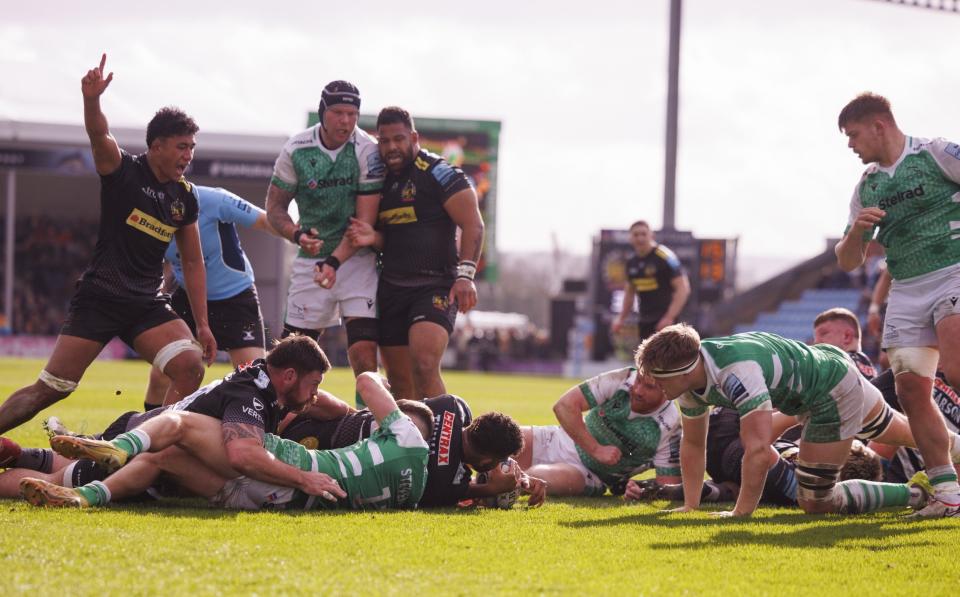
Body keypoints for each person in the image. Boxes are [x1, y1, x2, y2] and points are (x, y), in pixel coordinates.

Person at [0, 54, 216, 436]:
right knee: (51, 390)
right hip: (101, 297)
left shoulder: (185, 197)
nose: (189, 155)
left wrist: (203, 324)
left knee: (189, 366)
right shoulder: (123, 172)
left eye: (192, 147)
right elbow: (100, 135)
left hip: (146, 303)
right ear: (158, 146)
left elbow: (194, 263)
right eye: (182, 147)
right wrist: (91, 100)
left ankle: (147, 453)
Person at [21, 373, 434, 512]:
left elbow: (366, 380)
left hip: (290, 470)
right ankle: (85, 498)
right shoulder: (412, 490)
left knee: (178, 423)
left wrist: (386, 395)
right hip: (269, 502)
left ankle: (117, 449)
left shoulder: (404, 435)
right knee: (165, 455)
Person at [21, 335, 344, 508]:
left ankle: (15, 452)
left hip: (142, 429)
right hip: (144, 442)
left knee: (49, 462)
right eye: (314, 384)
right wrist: (303, 478)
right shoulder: (252, 397)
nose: (315, 395)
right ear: (289, 375)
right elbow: (242, 454)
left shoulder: (264, 377)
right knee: (59, 476)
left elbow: (323, 404)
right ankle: (101, 467)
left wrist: (350, 414)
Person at [637, 324, 921, 517]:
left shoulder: (736, 371)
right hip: (825, 370)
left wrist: (740, 512)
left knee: (815, 502)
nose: (650, 382)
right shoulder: (690, 378)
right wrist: (690, 505)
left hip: (827, 390)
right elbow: (694, 444)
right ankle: (945, 475)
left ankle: (917, 495)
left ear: (684, 371)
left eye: (658, 377)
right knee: (911, 434)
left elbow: (759, 450)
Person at [835, 91, 960, 517]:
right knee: (909, 390)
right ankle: (947, 492)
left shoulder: (936, 153)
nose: (851, 145)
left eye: (853, 135)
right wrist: (856, 234)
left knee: (958, 369)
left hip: (953, 270)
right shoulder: (867, 186)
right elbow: (849, 260)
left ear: (879, 126)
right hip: (906, 288)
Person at [347, 107, 484, 400]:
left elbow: (473, 223)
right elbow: (397, 238)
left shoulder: (439, 173)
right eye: (384, 141)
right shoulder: (376, 179)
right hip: (392, 288)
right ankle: (409, 444)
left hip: (434, 286)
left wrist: (466, 275)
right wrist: (374, 237)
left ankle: (444, 442)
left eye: (399, 139)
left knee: (423, 364)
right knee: (399, 382)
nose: (392, 147)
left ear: (414, 137)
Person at [266, 80, 384, 406]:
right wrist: (296, 234)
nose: (346, 121)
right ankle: (279, 418)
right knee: (291, 354)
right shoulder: (296, 149)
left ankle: (370, 426)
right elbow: (275, 209)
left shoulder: (367, 151)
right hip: (310, 262)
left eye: (353, 114)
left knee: (363, 352)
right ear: (323, 112)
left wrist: (334, 262)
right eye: (338, 113)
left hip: (356, 260)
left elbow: (364, 225)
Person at [145, 185, 288, 409]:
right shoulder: (147, 212)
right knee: (161, 376)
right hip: (188, 297)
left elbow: (265, 221)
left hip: (237, 297)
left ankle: (260, 434)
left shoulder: (213, 200)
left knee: (256, 381)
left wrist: (300, 235)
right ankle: (147, 434)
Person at [280, 393, 540, 507]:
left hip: (333, 420)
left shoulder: (454, 405)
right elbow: (464, 489)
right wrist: (493, 489)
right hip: (322, 455)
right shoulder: (446, 481)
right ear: (485, 459)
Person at [513, 368, 681, 497]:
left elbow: (669, 485)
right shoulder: (623, 377)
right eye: (638, 380)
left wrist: (640, 489)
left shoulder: (670, 425)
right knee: (500, 440)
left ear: (668, 389)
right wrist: (596, 449)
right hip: (558, 438)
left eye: (649, 387)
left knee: (536, 476)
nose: (637, 390)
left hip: (587, 474)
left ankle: (501, 487)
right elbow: (564, 406)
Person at [610, 220, 690, 343]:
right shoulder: (631, 263)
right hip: (645, 321)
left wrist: (669, 317)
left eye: (643, 234)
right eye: (636, 235)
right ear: (630, 238)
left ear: (651, 236)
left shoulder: (665, 257)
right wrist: (621, 318)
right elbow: (629, 294)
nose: (640, 238)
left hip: (667, 323)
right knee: (646, 361)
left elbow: (683, 288)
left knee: (669, 360)